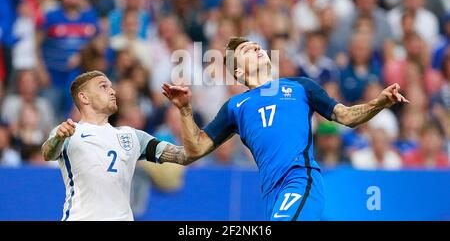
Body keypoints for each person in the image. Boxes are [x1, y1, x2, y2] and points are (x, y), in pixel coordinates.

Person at [162, 37, 409, 221]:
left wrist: (379, 103)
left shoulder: (301, 86)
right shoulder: (236, 107)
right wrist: (184, 109)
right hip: (271, 193)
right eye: (248, 50)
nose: (258, 48)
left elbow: (345, 116)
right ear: (238, 72)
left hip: (301, 179)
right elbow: (195, 150)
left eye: (258, 46)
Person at [40, 70, 192, 221]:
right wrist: (58, 139)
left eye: (111, 87)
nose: (112, 91)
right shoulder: (69, 131)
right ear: (84, 97)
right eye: (103, 86)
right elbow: (48, 153)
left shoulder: (132, 136)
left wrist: (185, 110)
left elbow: (185, 155)